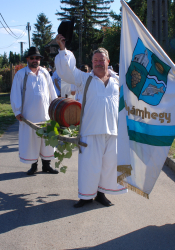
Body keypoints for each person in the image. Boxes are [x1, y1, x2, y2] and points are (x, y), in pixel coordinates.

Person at [55, 34, 127, 208]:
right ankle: (86, 196)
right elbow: (67, 71)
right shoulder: (84, 78)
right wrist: (63, 49)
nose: (98, 63)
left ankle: (101, 194)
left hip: (112, 131)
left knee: (108, 166)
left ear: (108, 61)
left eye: (101, 60)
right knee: (89, 166)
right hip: (90, 131)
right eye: (95, 60)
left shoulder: (118, 81)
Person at [10, 47, 59, 175]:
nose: (35, 60)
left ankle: (46, 165)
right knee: (31, 142)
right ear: (27, 59)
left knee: (47, 142)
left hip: (46, 115)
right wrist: (17, 111)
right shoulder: (21, 74)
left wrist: (56, 108)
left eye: (37, 58)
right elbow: (15, 93)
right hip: (29, 116)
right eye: (32, 58)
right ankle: (34, 166)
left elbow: (51, 91)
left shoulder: (45, 73)